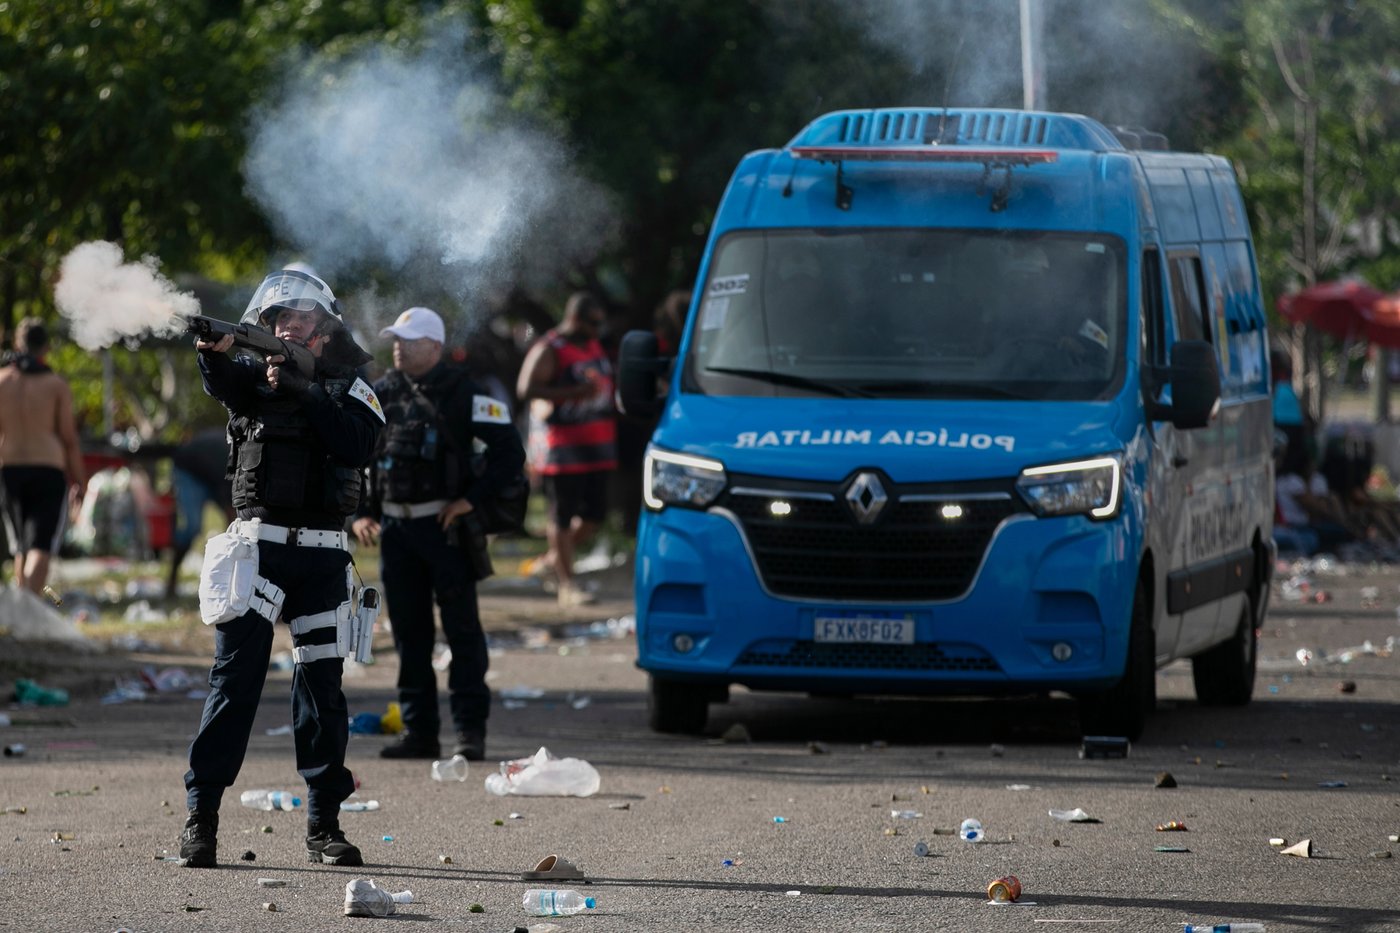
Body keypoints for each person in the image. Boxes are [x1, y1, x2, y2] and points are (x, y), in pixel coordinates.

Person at [178, 268, 384, 870]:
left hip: (323, 555)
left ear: (324, 330)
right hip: (258, 550)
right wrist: (211, 355)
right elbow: (225, 385)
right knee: (233, 684)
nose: (286, 326)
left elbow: (359, 445)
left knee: (322, 691)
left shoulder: (351, 386)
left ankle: (324, 827)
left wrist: (310, 392)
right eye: (276, 320)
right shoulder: (253, 382)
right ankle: (201, 821)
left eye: (298, 318)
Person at [352, 306, 525, 762]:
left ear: (434, 347)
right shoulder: (380, 391)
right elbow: (355, 454)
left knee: (462, 633)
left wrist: (473, 499)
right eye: (395, 339)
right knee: (410, 637)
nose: (397, 347)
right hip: (394, 532)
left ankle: (470, 733)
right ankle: (420, 732)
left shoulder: (465, 394)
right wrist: (359, 515)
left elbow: (510, 452)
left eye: (408, 340)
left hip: (445, 532)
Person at [517, 292, 617, 607]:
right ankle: (567, 585)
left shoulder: (591, 344)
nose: (598, 329)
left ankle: (551, 561)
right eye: (593, 323)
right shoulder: (550, 347)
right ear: (575, 318)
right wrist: (574, 392)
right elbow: (526, 389)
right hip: (562, 448)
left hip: (597, 444)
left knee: (595, 515)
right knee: (560, 516)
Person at [0, 318, 86, 595]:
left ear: (17, 343)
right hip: (47, 469)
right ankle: (28, 611)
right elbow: (69, 439)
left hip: (9, 469)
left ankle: (20, 610)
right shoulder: (55, 385)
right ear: (46, 347)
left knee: (20, 547)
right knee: (40, 545)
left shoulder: (2, 381)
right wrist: (80, 481)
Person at [166, 427, 234, 598]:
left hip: (210, 472)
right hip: (189, 470)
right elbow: (230, 511)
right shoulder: (232, 461)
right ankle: (171, 581)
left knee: (237, 527)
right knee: (192, 527)